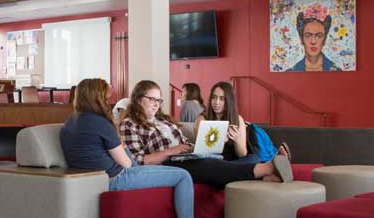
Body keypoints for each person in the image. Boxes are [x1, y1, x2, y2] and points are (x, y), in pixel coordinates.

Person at [60, 78, 216, 218]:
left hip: (92, 180)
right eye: (106, 96)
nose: (108, 101)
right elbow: (127, 164)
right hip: (117, 178)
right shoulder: (101, 123)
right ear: (97, 97)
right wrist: (123, 145)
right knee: (183, 176)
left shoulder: (70, 122)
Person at [119, 80, 293, 188]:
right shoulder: (129, 124)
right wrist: (173, 151)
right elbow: (135, 161)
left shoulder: (166, 122)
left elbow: (187, 143)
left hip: (185, 158)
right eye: (152, 99)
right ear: (138, 99)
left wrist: (191, 148)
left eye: (159, 100)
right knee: (209, 164)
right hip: (168, 164)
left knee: (249, 158)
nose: (157, 104)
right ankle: (268, 168)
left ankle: (265, 175)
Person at [286, 4, 340, 72]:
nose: (313, 41)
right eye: (308, 35)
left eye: (319, 36)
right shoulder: (292, 71)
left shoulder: (336, 70)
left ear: (325, 39)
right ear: (301, 39)